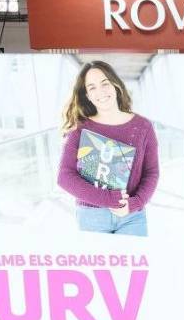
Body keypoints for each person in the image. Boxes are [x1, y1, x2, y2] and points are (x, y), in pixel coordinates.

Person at [57, 61, 159, 236]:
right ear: (87, 95)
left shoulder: (143, 127)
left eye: (105, 83)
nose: (101, 92)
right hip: (91, 216)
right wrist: (110, 200)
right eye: (92, 87)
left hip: (132, 216)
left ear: (115, 85)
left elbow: (151, 172)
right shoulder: (79, 129)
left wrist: (134, 203)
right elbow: (64, 177)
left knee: (134, 263)